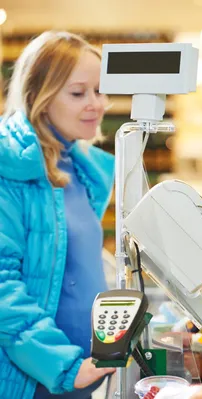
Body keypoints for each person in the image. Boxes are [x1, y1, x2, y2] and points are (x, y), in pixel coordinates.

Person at [0, 31, 115, 398]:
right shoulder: (10, 170)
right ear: (40, 97)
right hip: (35, 378)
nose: (96, 104)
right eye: (79, 93)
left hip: (82, 371)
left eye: (99, 90)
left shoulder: (83, 171)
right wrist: (63, 365)